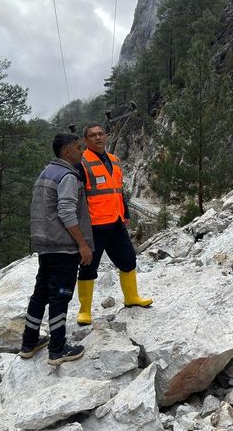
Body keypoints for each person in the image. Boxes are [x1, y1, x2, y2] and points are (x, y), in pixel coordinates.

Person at [19, 133, 94, 365]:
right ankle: (58, 348)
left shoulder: (46, 173)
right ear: (67, 152)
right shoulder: (68, 176)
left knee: (40, 293)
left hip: (45, 244)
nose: (82, 151)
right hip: (63, 246)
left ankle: (29, 343)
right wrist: (82, 244)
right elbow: (66, 212)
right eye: (78, 148)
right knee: (60, 296)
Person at [76, 123, 152, 326]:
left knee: (128, 260)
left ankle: (131, 297)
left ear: (106, 137)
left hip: (116, 222)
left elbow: (117, 190)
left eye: (101, 134)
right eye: (92, 135)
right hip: (94, 225)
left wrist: (125, 211)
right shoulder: (81, 163)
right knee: (88, 267)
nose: (98, 138)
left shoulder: (114, 161)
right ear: (86, 140)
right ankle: (84, 311)